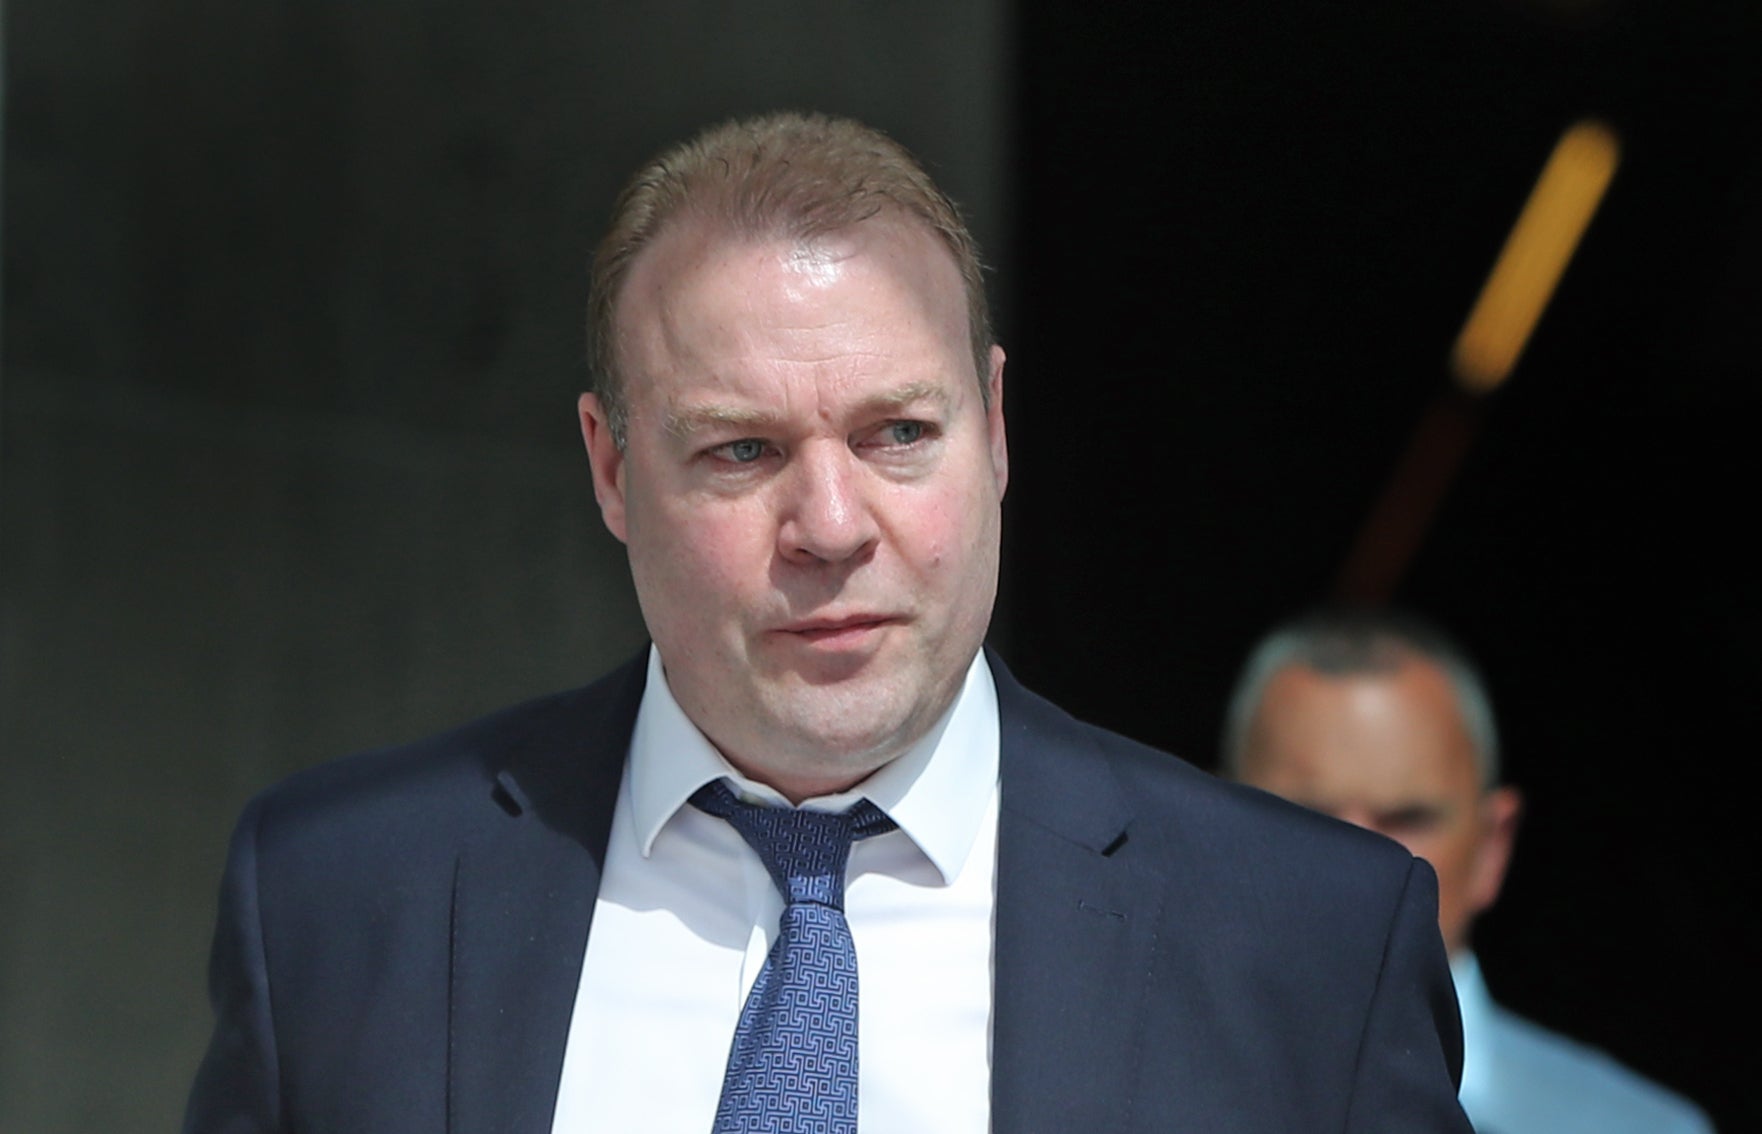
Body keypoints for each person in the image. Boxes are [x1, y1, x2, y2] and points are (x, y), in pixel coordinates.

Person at [184, 111, 1473, 1133]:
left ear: (998, 428)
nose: (832, 525)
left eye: (899, 434)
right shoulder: (340, 901)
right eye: (742, 450)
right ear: (611, 469)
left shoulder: (1309, 946)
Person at [1223, 606, 1714, 1134]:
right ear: (1209, 827)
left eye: (1408, 819)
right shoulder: (1128, 1078)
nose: (1359, 863)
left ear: (1491, 847)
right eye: (1307, 817)